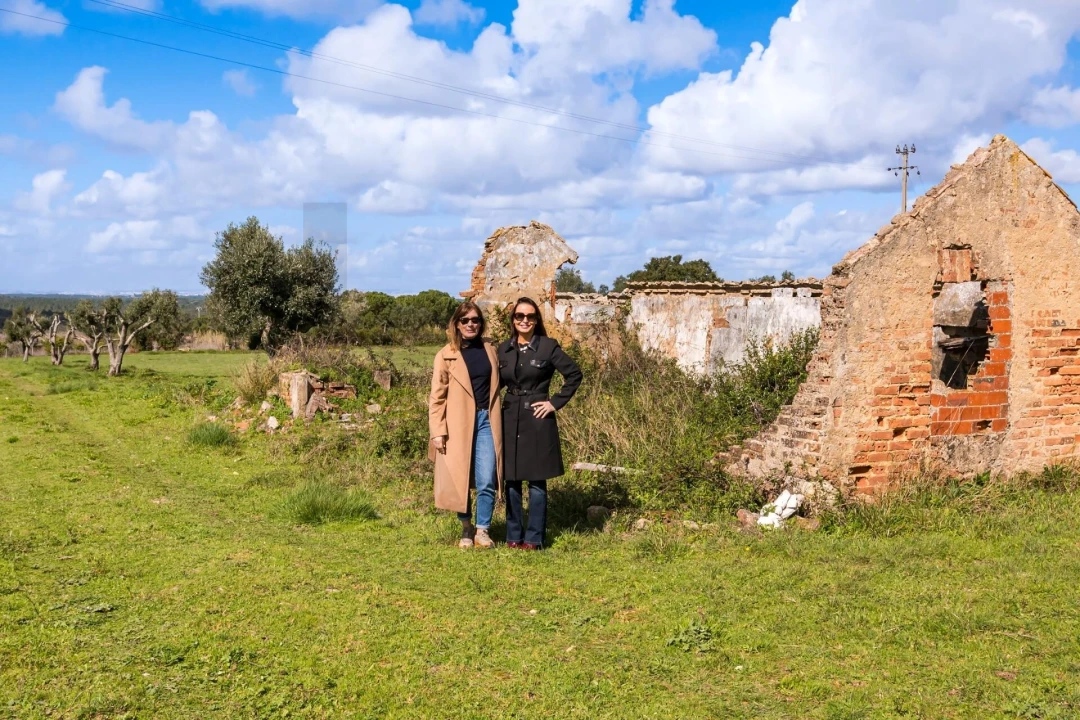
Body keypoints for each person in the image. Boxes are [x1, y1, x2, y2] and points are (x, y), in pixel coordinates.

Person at [499, 297, 583, 549]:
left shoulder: (548, 347)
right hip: (509, 416)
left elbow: (574, 374)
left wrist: (554, 403)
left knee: (536, 481)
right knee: (511, 479)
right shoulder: (503, 349)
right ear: (513, 320)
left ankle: (534, 538)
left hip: (538, 418)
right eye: (519, 316)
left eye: (530, 316)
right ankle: (513, 535)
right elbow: (495, 384)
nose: (524, 320)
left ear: (536, 320)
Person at [429, 302, 503, 549]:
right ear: (457, 324)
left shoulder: (491, 349)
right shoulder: (446, 355)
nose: (471, 324)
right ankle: (465, 528)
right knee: (459, 478)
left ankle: (483, 530)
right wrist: (437, 431)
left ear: (481, 324)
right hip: (457, 424)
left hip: (486, 421)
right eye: (465, 320)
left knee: (486, 478)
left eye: (475, 320)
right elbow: (437, 397)